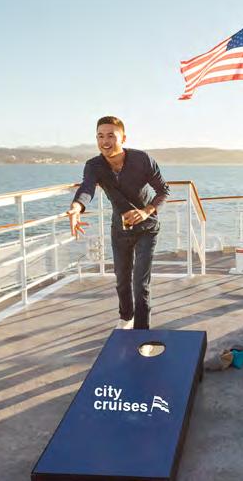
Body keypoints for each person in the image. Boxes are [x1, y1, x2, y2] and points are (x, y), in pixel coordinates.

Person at [68, 116, 170, 330]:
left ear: (123, 138)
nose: (105, 141)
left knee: (140, 284)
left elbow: (163, 191)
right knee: (122, 280)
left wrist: (146, 211)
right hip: (120, 230)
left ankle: (142, 332)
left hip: (147, 229)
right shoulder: (94, 165)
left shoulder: (142, 159)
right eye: (100, 136)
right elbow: (87, 188)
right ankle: (126, 317)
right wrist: (77, 207)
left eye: (111, 136)